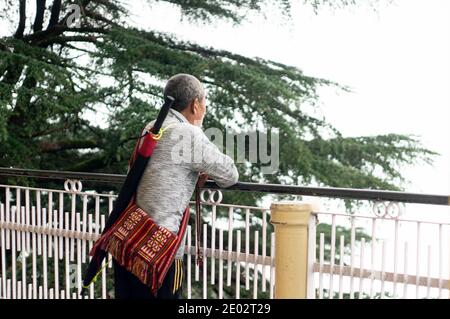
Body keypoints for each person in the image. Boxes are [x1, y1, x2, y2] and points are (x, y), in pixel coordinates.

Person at [113, 73, 239, 299]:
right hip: (160, 250)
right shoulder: (187, 134)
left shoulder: (152, 126)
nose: (205, 109)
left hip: (129, 239)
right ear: (195, 105)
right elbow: (230, 174)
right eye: (205, 103)